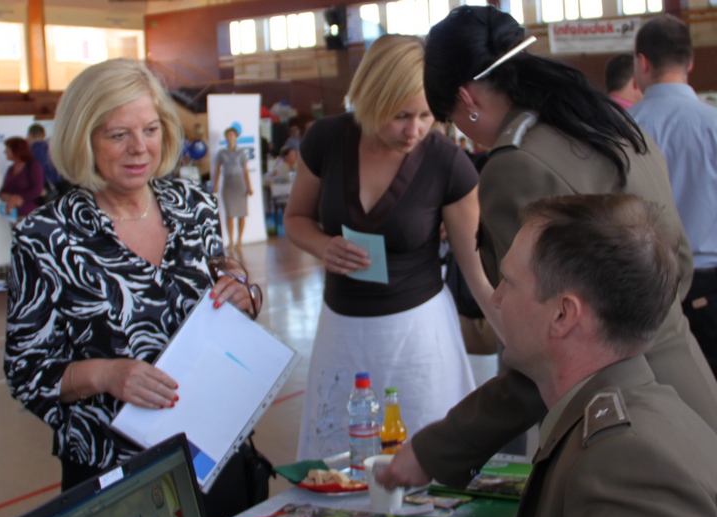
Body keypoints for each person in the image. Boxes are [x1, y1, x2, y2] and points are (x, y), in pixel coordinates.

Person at [377, 5, 717, 490]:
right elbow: (676, 263)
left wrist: (438, 448)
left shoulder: (517, 166)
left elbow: (547, 343)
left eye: (449, 119)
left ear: (466, 98)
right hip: (689, 390)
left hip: (620, 424)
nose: (458, 131)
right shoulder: (605, 122)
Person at [4, 58, 256, 493]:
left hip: (215, 447)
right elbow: (27, 370)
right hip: (116, 474)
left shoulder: (195, 206)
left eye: (150, 129)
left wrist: (245, 295)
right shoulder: (46, 236)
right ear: (84, 139)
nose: (139, 148)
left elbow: (223, 293)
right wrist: (106, 375)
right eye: (118, 135)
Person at [480, 194, 717, 517]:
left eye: (508, 282)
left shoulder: (621, 466)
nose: (495, 297)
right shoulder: (626, 423)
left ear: (563, 314)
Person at [283, 35, 496, 460]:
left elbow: (476, 270)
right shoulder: (326, 140)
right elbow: (295, 219)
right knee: (340, 458)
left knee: (423, 455)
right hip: (342, 332)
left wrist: (520, 340)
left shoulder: (446, 162)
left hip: (417, 337)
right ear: (370, 98)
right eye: (400, 116)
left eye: (426, 116)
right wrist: (324, 246)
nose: (414, 130)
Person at [630, 15, 717, 376]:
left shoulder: (624, 129)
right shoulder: (713, 123)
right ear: (690, 63)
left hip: (648, 287)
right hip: (712, 282)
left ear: (642, 62)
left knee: (662, 390)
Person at [211, 126, 253, 249]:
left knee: (242, 213)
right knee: (230, 214)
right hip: (228, 183)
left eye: (232, 135)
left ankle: (239, 240)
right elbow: (218, 170)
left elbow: (245, 171)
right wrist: (215, 184)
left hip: (239, 183)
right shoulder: (221, 153)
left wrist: (249, 187)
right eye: (228, 135)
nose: (230, 138)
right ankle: (230, 240)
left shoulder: (241, 152)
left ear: (236, 137)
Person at [0, 136, 44, 218]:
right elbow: (3, 190)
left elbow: (37, 190)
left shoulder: (33, 166)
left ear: (17, 150)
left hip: (28, 214)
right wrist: (9, 197)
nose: (5, 152)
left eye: (8, 149)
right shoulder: (11, 169)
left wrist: (20, 198)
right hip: (10, 214)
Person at [27, 123, 64, 192]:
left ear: (29, 136)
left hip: (43, 188)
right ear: (44, 135)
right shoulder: (53, 149)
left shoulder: (30, 152)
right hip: (58, 184)